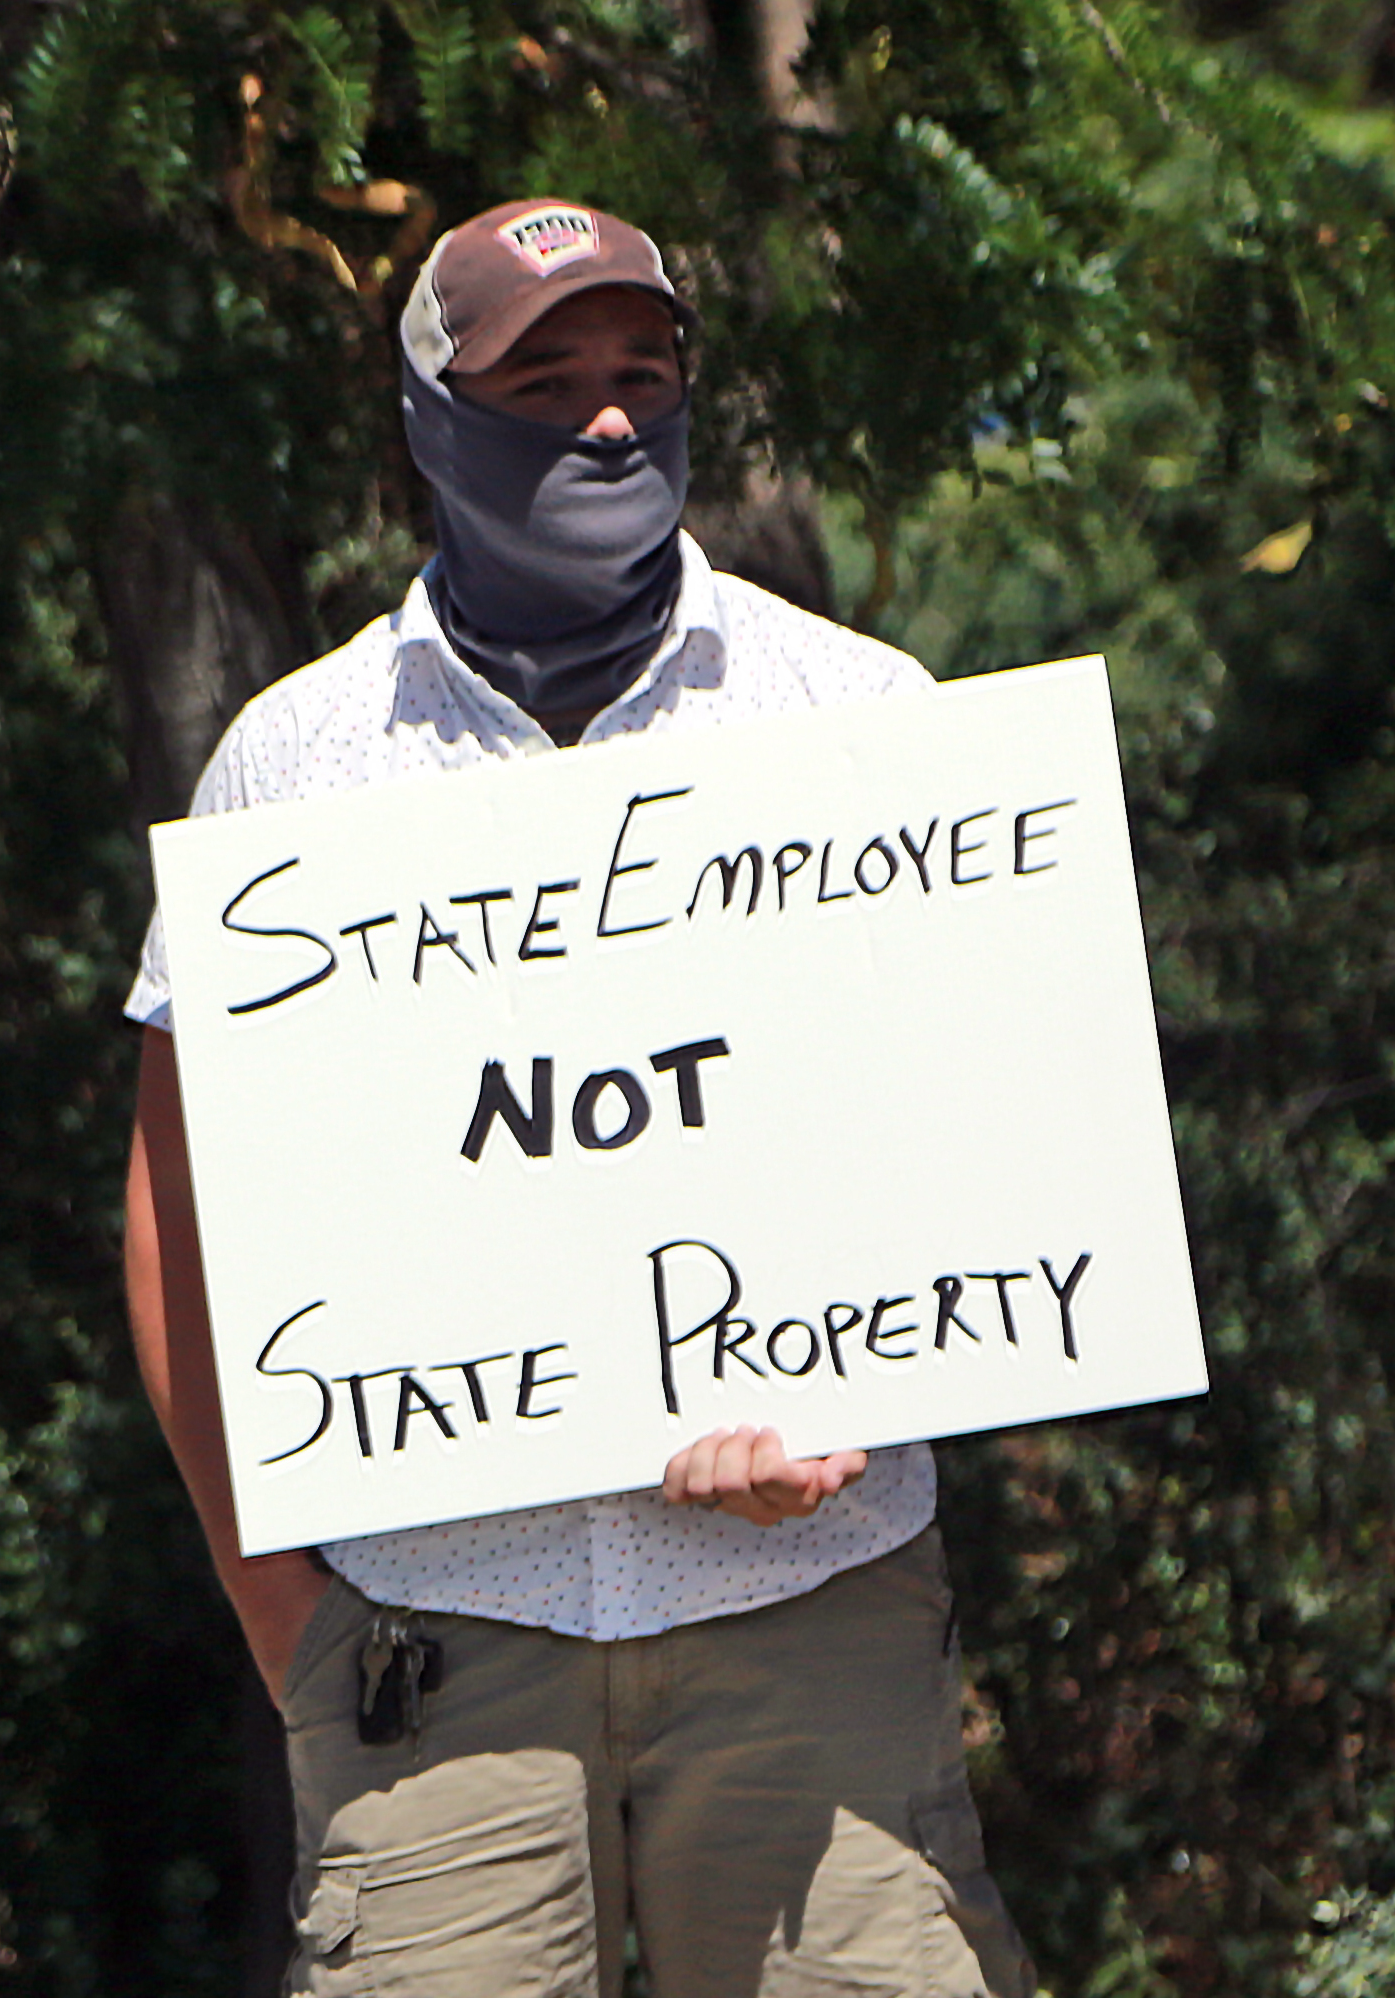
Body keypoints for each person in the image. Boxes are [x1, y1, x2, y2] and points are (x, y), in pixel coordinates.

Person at [119, 200, 1033, 1997]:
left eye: (643, 373)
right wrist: (281, 1613)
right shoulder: (291, 767)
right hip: (431, 1647)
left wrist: (853, 1400)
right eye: (544, 379)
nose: (608, 420)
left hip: (811, 1618)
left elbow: (979, 1161)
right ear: (428, 420)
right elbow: (178, 1216)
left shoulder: (856, 720)